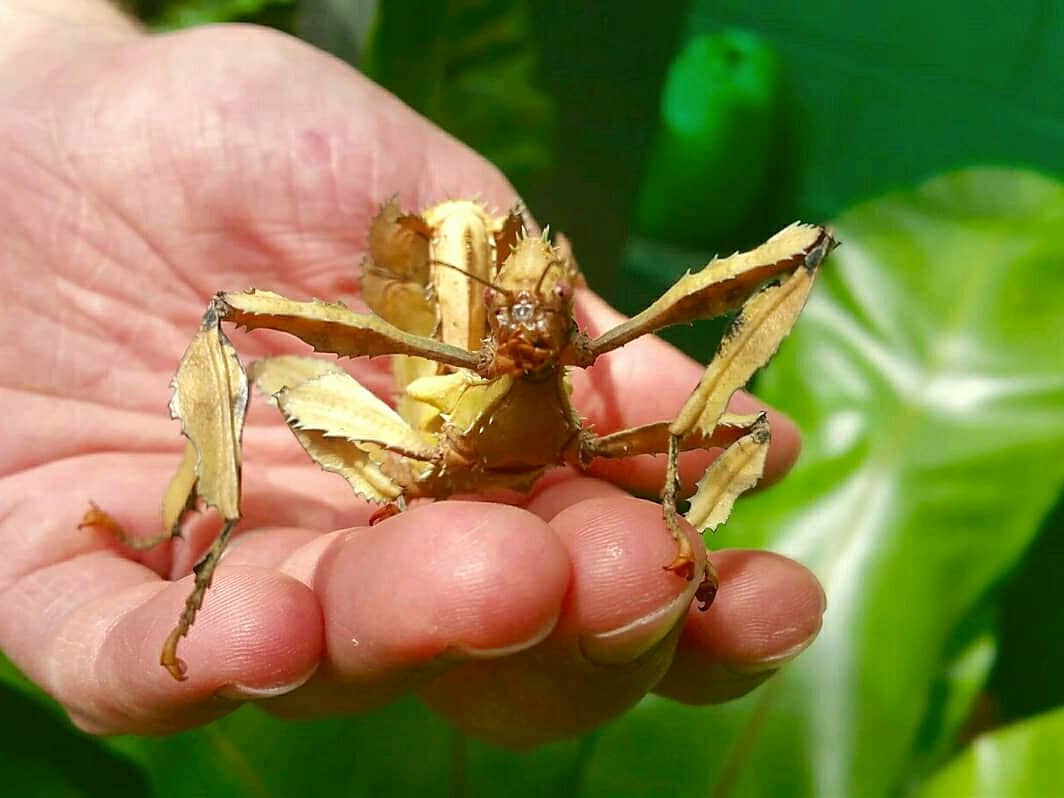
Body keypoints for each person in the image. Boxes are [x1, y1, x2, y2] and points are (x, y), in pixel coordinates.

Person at [0, 0, 825, 746]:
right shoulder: (445, 337)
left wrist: (687, 498)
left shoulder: (564, 346)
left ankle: (690, 519)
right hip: (416, 446)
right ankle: (190, 535)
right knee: (268, 365)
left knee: (743, 422)